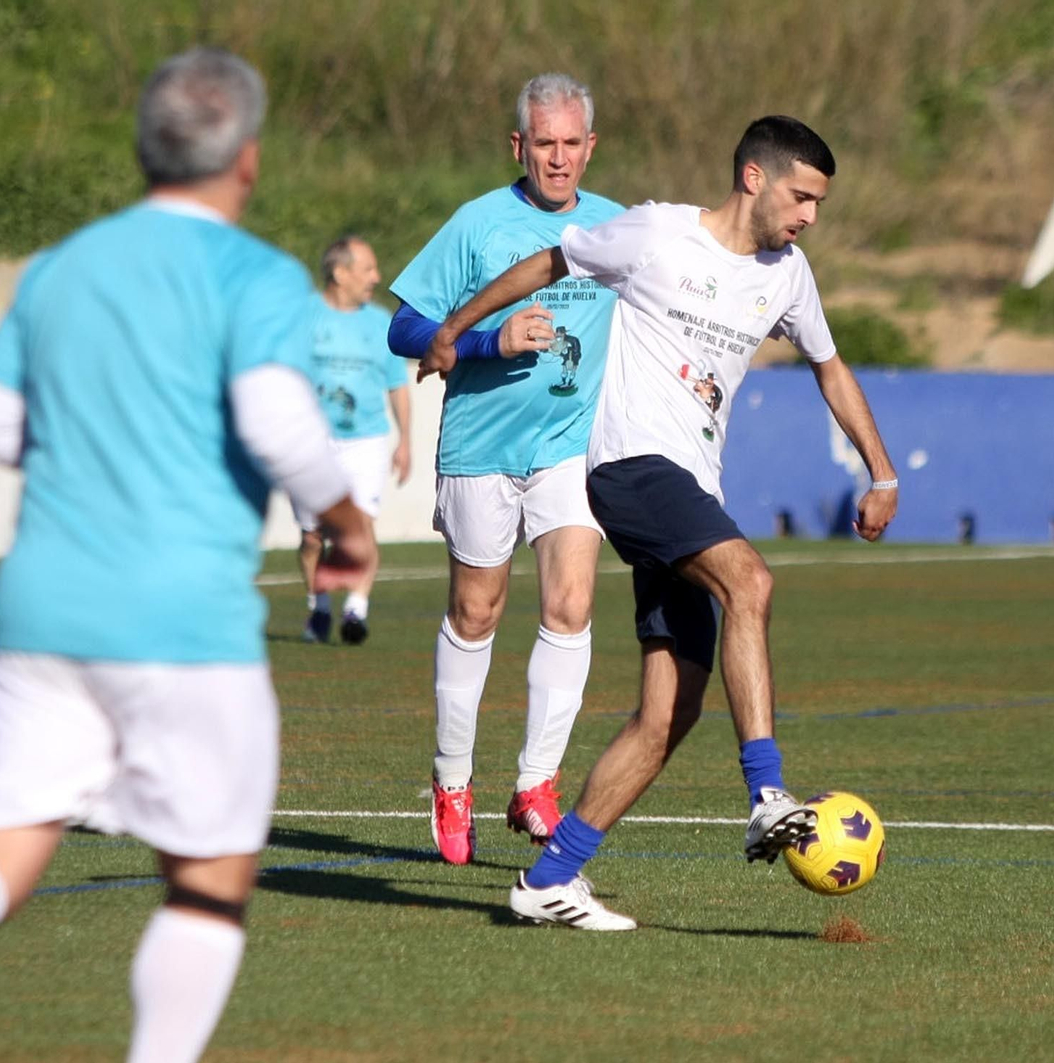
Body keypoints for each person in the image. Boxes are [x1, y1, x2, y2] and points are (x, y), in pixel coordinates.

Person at [0, 48, 375, 1062]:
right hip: (181, 619)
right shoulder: (252, 273)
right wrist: (347, 519)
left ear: (145, 148)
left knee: (6, 851)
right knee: (207, 877)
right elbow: (274, 414)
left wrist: (91, 440)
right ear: (244, 159)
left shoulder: (65, 263)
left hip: (43, 612)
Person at [423, 116, 899, 930]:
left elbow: (829, 363)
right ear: (754, 176)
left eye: (819, 202)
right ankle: (768, 792)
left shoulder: (788, 275)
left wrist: (881, 470)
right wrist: (456, 328)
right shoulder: (655, 233)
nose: (810, 215)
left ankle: (549, 877)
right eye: (802, 196)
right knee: (750, 579)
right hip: (631, 469)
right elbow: (549, 259)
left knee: (669, 709)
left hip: (690, 485)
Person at [386, 73, 622, 863]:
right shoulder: (477, 225)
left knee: (572, 599)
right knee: (477, 613)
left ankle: (536, 783)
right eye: (544, 144)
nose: (559, 160)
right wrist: (490, 341)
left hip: (569, 447)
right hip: (480, 447)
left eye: (571, 144)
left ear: (592, 146)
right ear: (519, 147)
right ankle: (453, 781)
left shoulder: (619, 228)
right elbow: (404, 329)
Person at [292, 235, 410, 645]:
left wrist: (405, 440)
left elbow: (398, 385)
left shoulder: (381, 324)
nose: (376, 278)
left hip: (365, 441)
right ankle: (318, 606)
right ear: (340, 274)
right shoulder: (300, 318)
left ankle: (356, 609)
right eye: (367, 270)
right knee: (312, 537)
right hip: (310, 442)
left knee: (359, 526)